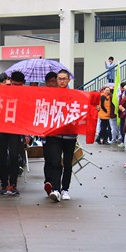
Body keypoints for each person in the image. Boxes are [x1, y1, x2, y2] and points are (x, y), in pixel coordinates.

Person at [43, 70, 77, 202]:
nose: (62, 81)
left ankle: (65, 189)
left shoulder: (75, 95)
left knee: (68, 163)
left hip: (70, 135)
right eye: (59, 79)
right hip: (54, 134)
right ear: (56, 80)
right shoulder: (50, 95)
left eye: (64, 79)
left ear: (69, 80)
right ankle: (56, 189)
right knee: (56, 161)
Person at [0, 72, 26, 196]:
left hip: (16, 129)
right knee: (2, 157)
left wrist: (27, 134)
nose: (16, 87)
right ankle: (4, 184)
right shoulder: (3, 90)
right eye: (14, 84)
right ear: (10, 81)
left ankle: (13, 184)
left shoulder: (26, 94)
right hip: (2, 128)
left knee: (14, 156)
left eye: (19, 85)